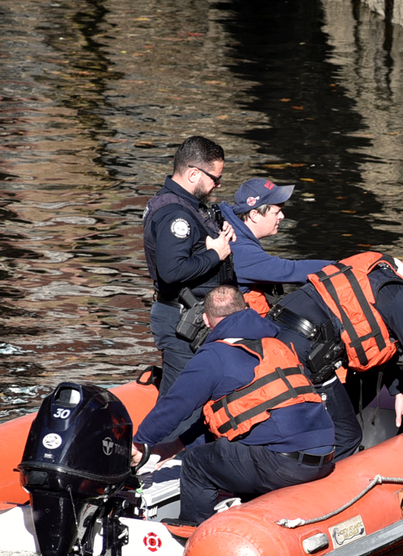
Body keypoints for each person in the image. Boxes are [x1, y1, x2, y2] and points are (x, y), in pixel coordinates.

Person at [130, 285, 336, 525]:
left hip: (284, 464)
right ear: (245, 309)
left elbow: (175, 405)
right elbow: (243, 408)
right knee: (241, 440)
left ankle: (191, 530)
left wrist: (141, 441)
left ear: (206, 320)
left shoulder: (214, 356)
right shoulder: (277, 344)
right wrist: (177, 443)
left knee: (196, 463)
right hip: (325, 454)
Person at [268, 237, 403, 460]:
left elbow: (378, 337)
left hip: (277, 325)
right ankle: (320, 488)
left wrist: (397, 391)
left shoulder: (384, 269)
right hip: (304, 349)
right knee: (347, 436)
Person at [143, 136, 237, 394]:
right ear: (193, 173)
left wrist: (220, 232)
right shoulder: (175, 214)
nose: (218, 185)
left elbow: (194, 243)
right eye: (215, 178)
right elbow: (172, 271)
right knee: (184, 399)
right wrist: (215, 255)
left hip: (196, 316)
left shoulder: (187, 206)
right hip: (183, 320)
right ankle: (164, 436)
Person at [219, 177, 332, 315]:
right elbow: (290, 270)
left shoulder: (232, 228)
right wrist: (343, 267)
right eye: (276, 212)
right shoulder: (240, 249)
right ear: (254, 215)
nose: (282, 216)